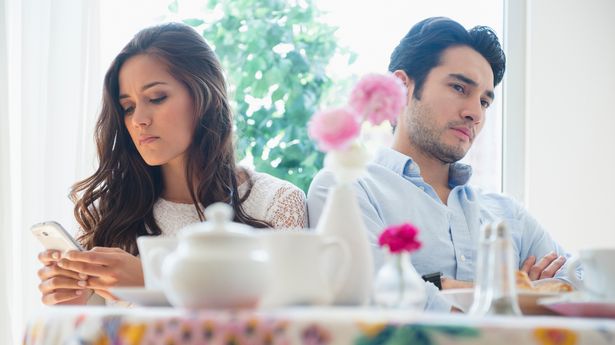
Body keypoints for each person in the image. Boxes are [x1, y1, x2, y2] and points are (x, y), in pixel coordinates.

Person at [307, 17, 577, 312]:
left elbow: (582, 286)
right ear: (401, 87)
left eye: (485, 102)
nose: (475, 113)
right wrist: (517, 294)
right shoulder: (346, 187)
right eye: (460, 88)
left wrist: (441, 287)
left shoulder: (508, 215)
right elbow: (368, 291)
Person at [37, 22, 307, 305]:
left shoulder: (276, 203)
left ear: (205, 97)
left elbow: (287, 326)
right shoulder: (108, 213)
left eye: (157, 98)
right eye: (128, 107)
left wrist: (153, 281)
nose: (139, 119)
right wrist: (72, 303)